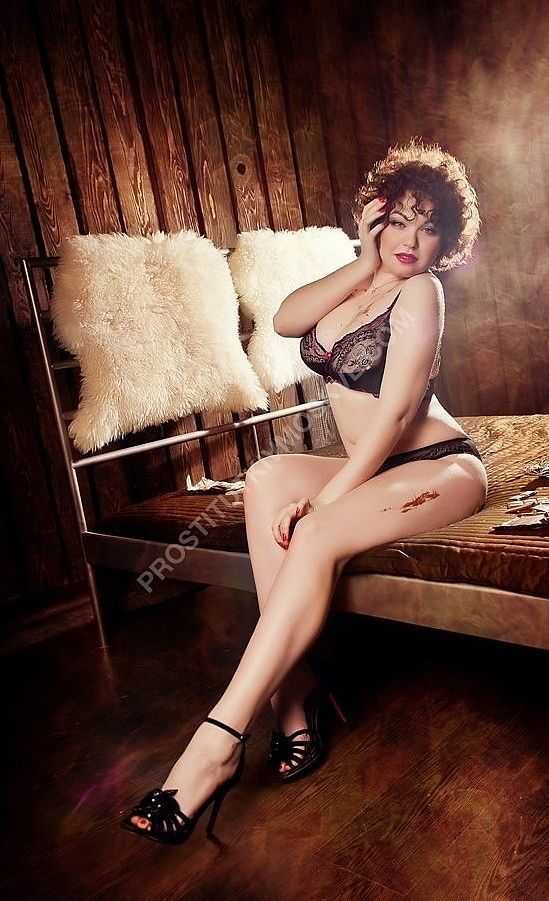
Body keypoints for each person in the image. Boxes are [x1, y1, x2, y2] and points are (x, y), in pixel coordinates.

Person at [120, 136, 488, 845]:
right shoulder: (362, 281)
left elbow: (394, 417)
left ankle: (216, 743)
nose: (410, 240)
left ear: (446, 242)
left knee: (314, 529)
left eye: (428, 228)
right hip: (380, 468)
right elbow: (287, 320)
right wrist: (362, 258)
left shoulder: (422, 291)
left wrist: (327, 499)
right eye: (399, 219)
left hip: (437, 466)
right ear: (375, 216)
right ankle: (295, 696)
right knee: (264, 476)